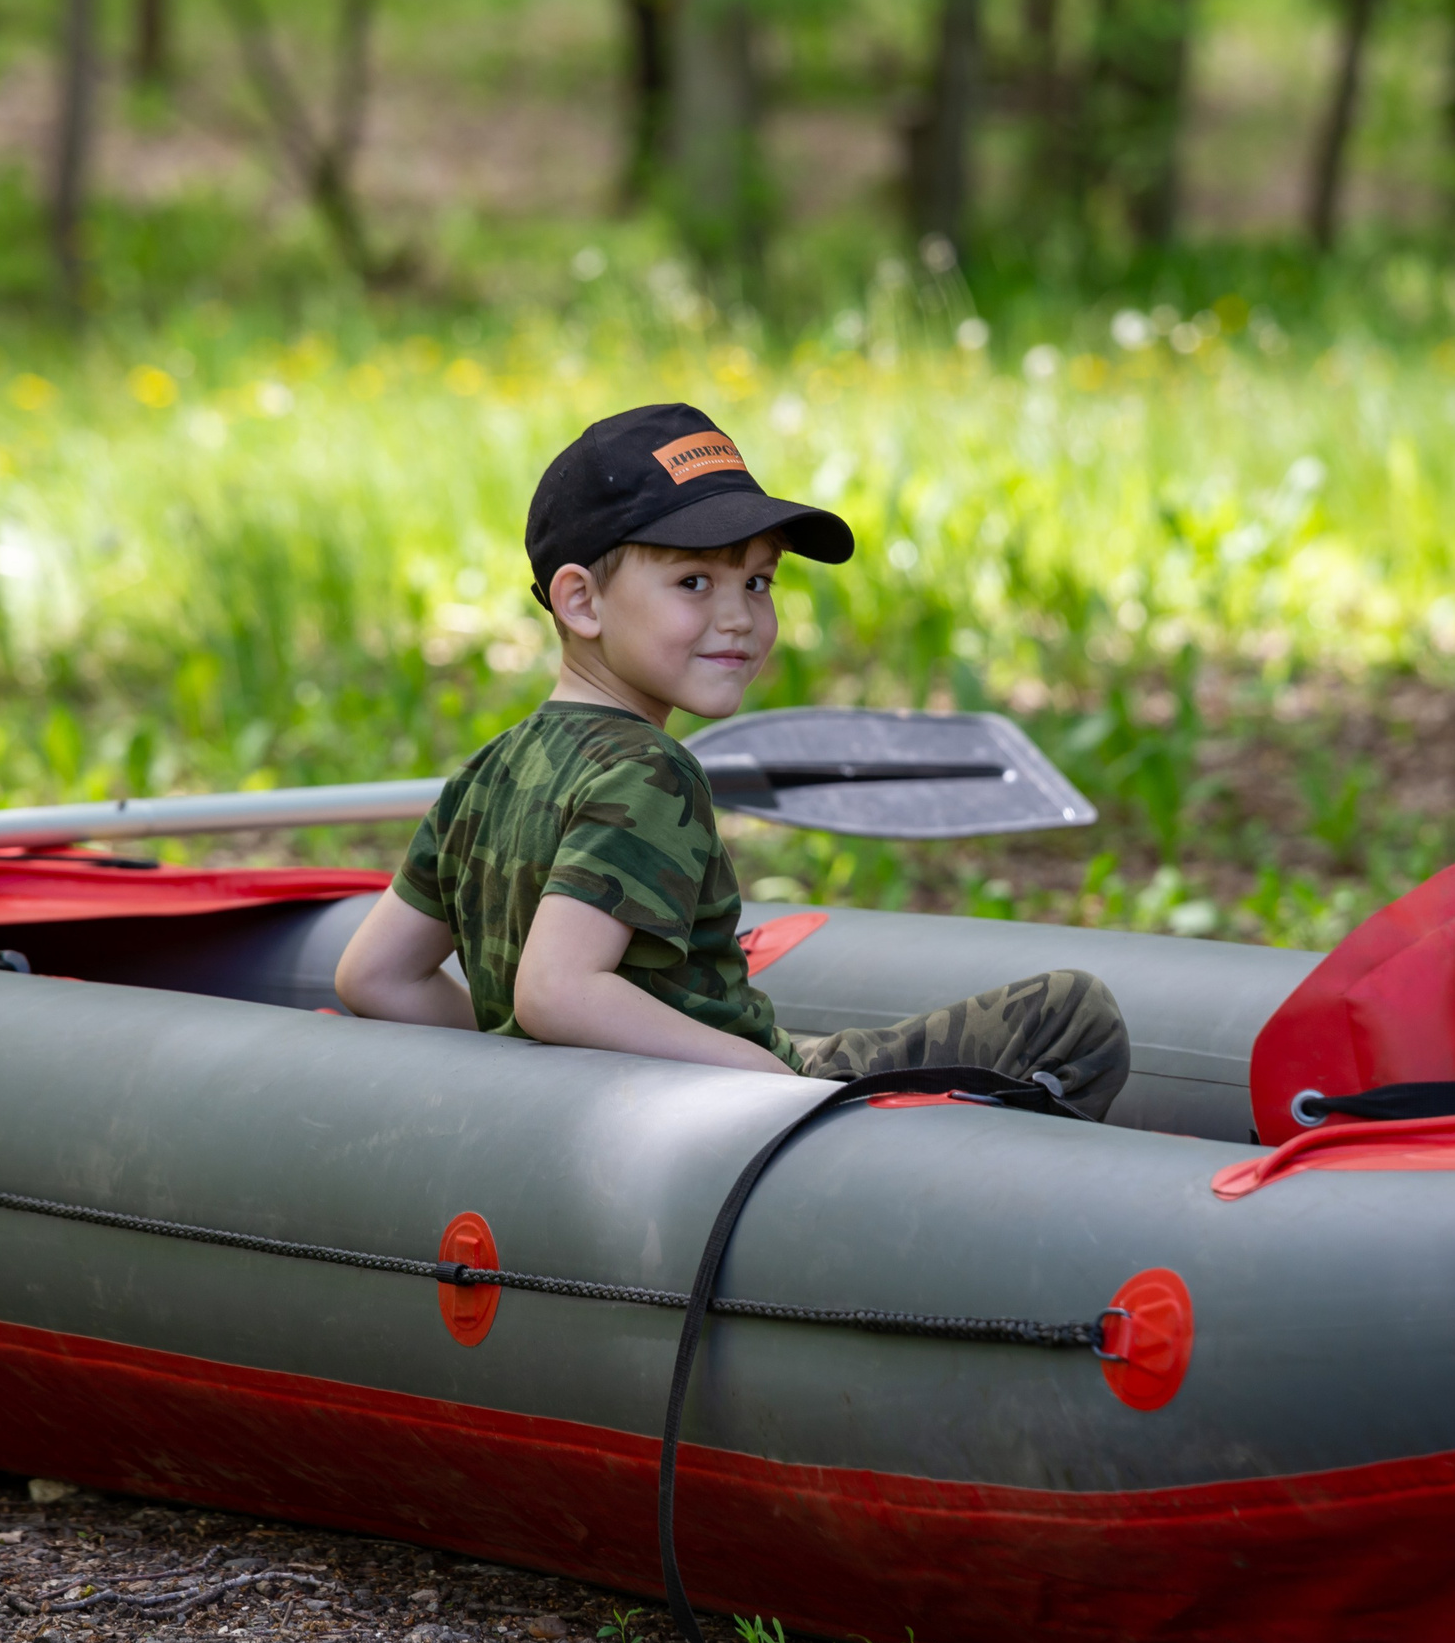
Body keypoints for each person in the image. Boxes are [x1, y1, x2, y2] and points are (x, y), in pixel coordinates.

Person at [333, 402, 1130, 1117]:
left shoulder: (487, 770)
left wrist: (510, 1069)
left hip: (624, 1104)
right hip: (744, 1120)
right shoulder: (648, 771)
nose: (739, 617)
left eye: (756, 580)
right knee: (1070, 1013)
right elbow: (555, 989)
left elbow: (375, 975)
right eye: (693, 580)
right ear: (581, 601)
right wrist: (765, 1079)